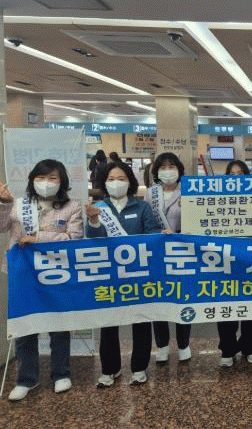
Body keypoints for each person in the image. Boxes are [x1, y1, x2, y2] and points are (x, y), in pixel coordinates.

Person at [0, 160, 83, 401]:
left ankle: (61, 374)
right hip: (23, 275)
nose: (46, 183)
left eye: (52, 178)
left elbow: (74, 237)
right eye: (41, 178)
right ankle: (26, 379)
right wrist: (4, 204)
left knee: (59, 325)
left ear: (62, 182)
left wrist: (39, 239)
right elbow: (2, 226)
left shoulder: (72, 207)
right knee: (25, 326)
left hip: (57, 274)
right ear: (32, 180)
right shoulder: (18, 204)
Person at [86, 161, 160, 387]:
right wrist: (93, 221)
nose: (116, 183)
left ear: (130, 182)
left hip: (138, 274)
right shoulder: (98, 207)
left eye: (121, 179)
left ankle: (139, 368)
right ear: (104, 183)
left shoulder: (142, 207)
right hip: (109, 275)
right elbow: (93, 240)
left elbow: (152, 234)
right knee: (109, 322)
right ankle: (110, 369)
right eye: (111, 179)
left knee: (141, 321)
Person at [216, 159, 252, 367]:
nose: (236, 179)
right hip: (225, 258)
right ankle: (227, 349)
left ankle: (250, 346)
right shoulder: (216, 200)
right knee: (226, 304)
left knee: (251, 304)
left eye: (240, 174)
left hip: (250, 259)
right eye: (232, 175)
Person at [144, 152, 192, 364]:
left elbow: (198, 221)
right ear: (156, 171)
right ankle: (162, 345)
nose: (167, 171)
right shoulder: (150, 193)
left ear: (179, 168)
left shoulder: (188, 191)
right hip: (157, 252)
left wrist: (180, 231)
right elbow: (146, 222)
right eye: (163, 167)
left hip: (182, 250)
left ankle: (184, 344)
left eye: (171, 166)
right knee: (159, 297)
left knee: (182, 295)